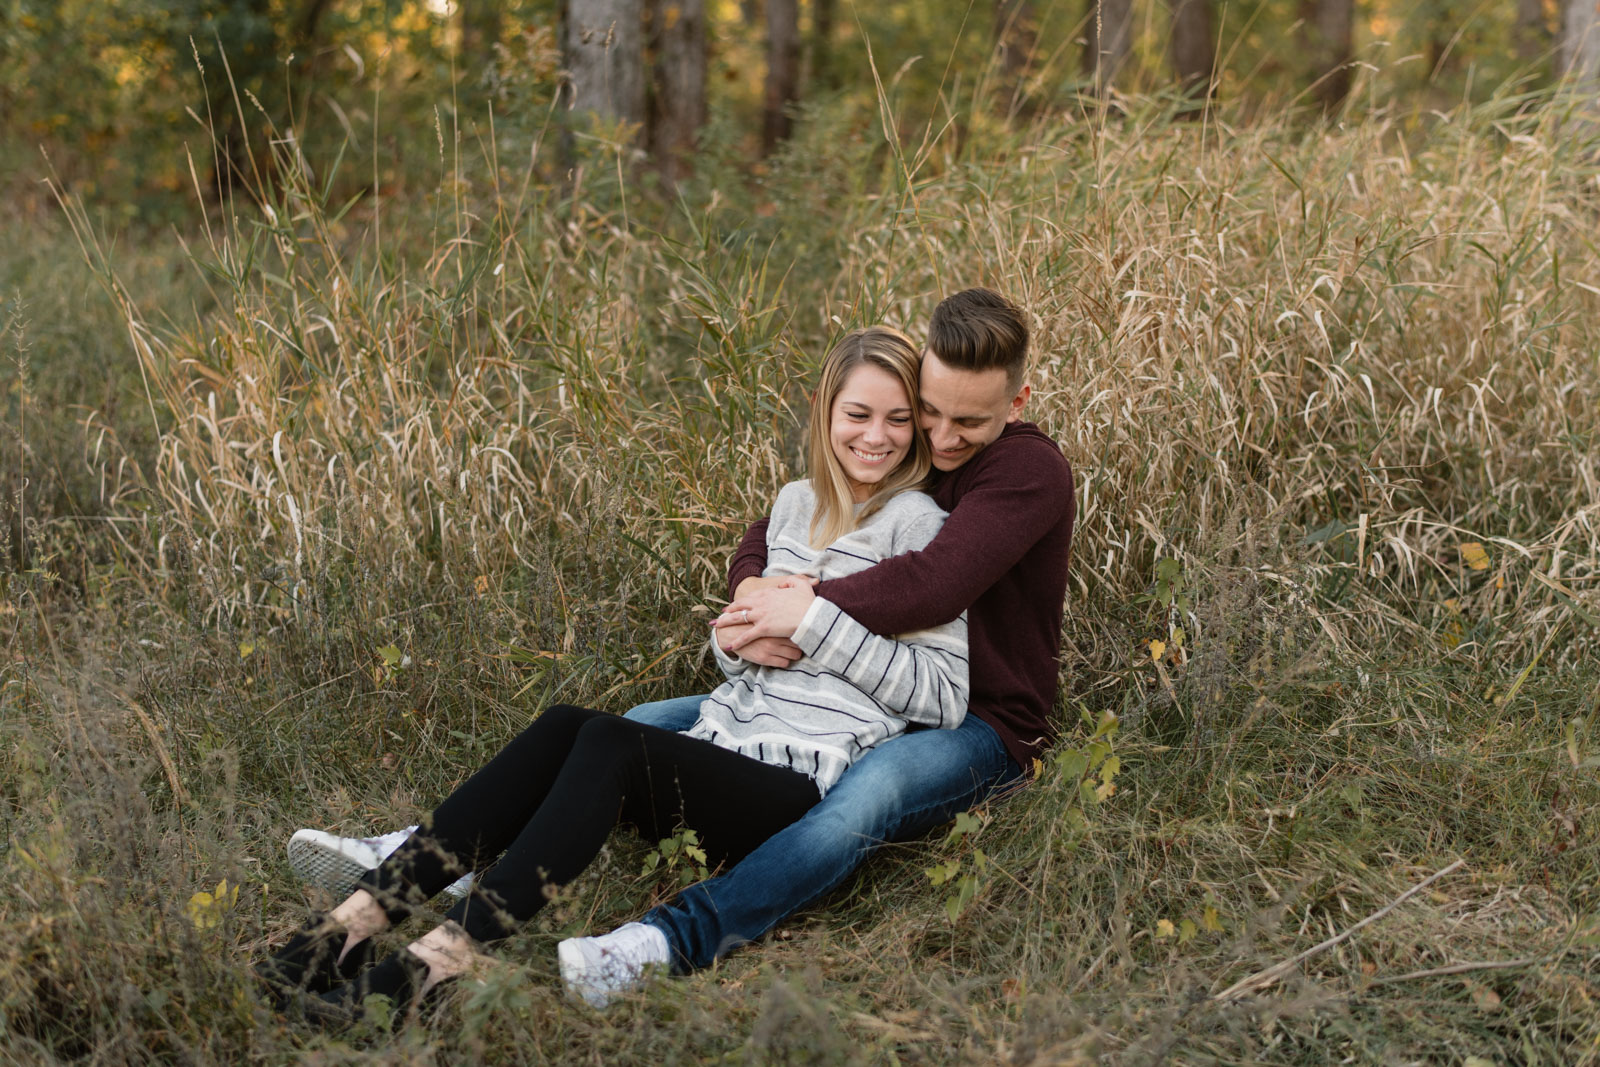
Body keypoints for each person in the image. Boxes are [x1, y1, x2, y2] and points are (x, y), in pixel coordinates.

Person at [287, 287, 1076, 1005]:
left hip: (980, 719)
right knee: (591, 725)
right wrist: (745, 612)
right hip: (768, 716)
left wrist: (795, 611)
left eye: (953, 421)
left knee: (861, 793)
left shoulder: (1005, 476)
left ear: (1017, 400)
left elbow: (932, 590)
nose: (935, 434)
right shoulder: (833, 490)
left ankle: (613, 944)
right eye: (923, 411)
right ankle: (363, 912)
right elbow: (768, 549)